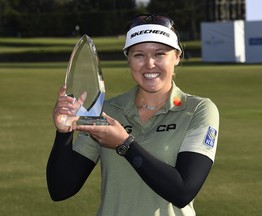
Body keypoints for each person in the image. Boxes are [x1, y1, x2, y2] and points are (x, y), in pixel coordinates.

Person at [46, 14, 219, 216]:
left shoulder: (198, 109)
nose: (150, 64)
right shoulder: (108, 112)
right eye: (139, 55)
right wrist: (63, 133)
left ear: (177, 57)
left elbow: (183, 191)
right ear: (128, 59)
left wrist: (125, 145)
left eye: (160, 54)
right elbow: (60, 189)